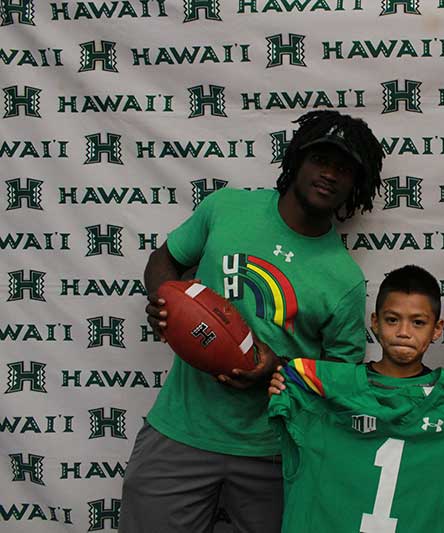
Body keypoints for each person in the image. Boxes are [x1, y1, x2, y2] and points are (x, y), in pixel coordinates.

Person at [119, 110, 385, 533]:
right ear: (297, 158)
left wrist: (277, 369)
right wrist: (166, 302)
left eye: (345, 169)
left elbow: (340, 381)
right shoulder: (226, 209)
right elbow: (164, 260)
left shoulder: (345, 280)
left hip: (274, 450)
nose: (330, 174)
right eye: (321, 160)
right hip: (182, 430)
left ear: (358, 184)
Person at [267, 265, 444, 532]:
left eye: (418, 322)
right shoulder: (320, 390)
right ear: (375, 322)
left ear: (437, 329)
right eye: (392, 320)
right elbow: (295, 386)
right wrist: (286, 386)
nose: (403, 332)